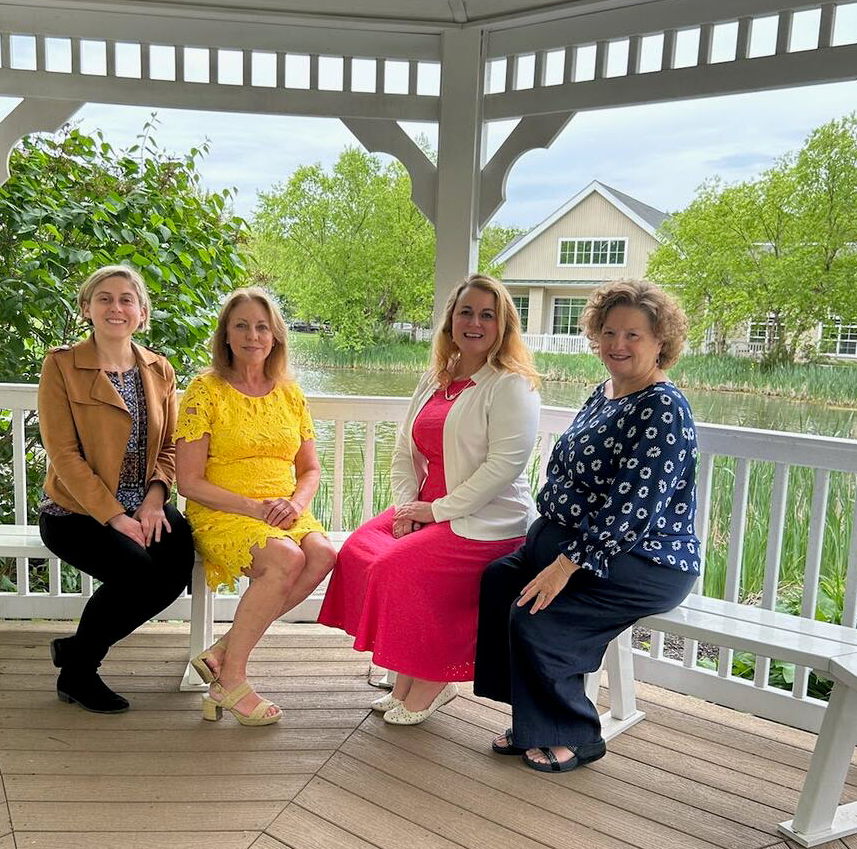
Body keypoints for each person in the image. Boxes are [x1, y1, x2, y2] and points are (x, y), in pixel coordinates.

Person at [475, 279, 701, 773]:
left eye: (633, 335)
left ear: (660, 341)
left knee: (538, 618)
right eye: (609, 332)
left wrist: (564, 565)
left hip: (642, 559)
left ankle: (576, 736)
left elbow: (632, 509)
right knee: (499, 582)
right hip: (580, 546)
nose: (618, 344)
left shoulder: (662, 408)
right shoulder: (607, 393)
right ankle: (534, 721)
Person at [318, 274, 541, 725]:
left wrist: (436, 511)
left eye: (487, 315)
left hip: (486, 519)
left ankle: (434, 679)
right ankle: (407, 676)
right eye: (466, 312)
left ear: (503, 326)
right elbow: (404, 449)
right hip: (426, 507)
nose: (474, 323)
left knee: (397, 567)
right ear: (450, 320)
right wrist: (407, 509)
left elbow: (504, 467)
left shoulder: (510, 385)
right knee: (359, 550)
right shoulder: (436, 378)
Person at [174, 287, 337, 727]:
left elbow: (310, 468)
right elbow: (189, 482)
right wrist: (253, 508)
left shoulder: (290, 393)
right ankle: (232, 678)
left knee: (323, 554)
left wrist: (295, 503)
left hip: (284, 507)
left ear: (276, 336)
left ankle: (224, 650)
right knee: (286, 559)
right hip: (224, 509)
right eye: (242, 326)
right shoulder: (204, 391)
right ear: (226, 334)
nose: (253, 335)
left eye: (262, 327)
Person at [38, 264, 195, 714]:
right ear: (86, 308)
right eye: (104, 298)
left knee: (176, 566)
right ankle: (81, 670)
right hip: (76, 511)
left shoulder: (159, 369)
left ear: (142, 313)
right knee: (138, 572)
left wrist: (154, 499)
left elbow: (169, 446)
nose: (116, 307)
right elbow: (63, 455)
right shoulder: (62, 366)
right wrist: (115, 517)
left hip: (143, 503)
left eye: (127, 299)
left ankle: (75, 652)